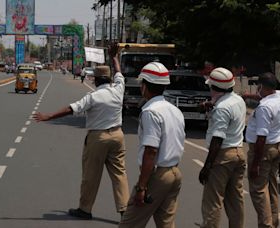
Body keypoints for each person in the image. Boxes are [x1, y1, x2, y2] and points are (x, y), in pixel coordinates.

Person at [34, 43, 130, 219]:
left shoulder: (93, 97)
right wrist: (114, 57)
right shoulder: (118, 90)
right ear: (108, 79)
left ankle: (85, 209)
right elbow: (119, 74)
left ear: (94, 80)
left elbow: (72, 109)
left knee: (91, 176)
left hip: (98, 137)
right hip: (117, 135)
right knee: (119, 174)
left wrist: (49, 116)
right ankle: (125, 210)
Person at [119, 62, 185, 228]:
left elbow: (150, 151)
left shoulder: (151, 112)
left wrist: (142, 187)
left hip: (158, 176)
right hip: (174, 173)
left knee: (129, 223)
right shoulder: (174, 110)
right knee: (166, 224)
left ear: (145, 86)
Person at [198, 67, 246, 228]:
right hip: (239, 152)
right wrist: (210, 104)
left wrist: (207, 166)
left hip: (223, 156)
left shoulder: (221, 108)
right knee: (235, 201)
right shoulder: (238, 100)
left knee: (213, 201)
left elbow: (217, 139)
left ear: (214, 87)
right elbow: (223, 103)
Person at [245, 72, 280, 228]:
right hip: (276, 147)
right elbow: (267, 97)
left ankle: (266, 225)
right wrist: (248, 96)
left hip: (263, 150)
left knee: (258, 190)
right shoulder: (277, 97)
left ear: (261, 86)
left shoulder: (265, 108)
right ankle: (274, 221)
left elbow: (261, 137)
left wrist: (255, 164)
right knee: (272, 188)